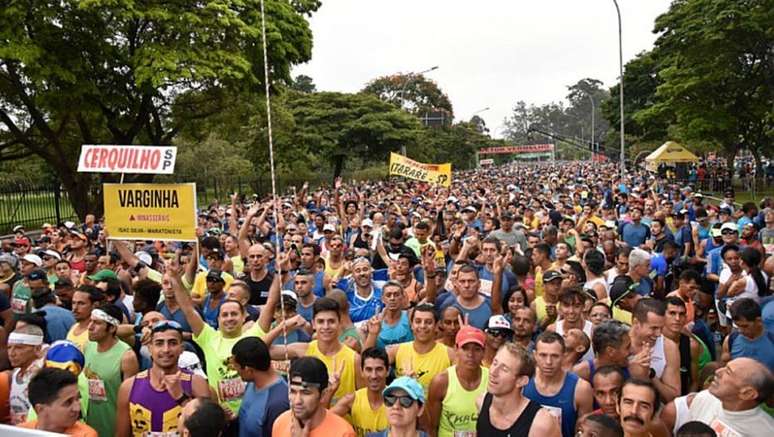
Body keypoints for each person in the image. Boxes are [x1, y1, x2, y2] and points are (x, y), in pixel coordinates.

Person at [169, 262, 281, 416]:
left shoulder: (254, 335)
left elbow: (271, 303)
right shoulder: (208, 337)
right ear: (219, 318)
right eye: (225, 315)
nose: (229, 318)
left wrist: (281, 270)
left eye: (234, 314)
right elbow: (187, 308)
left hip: (251, 411)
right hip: (219, 414)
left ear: (243, 317)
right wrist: (175, 279)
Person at [115, 320, 211, 437]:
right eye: (159, 343)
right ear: (150, 348)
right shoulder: (129, 386)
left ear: (182, 348)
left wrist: (181, 397)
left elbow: (207, 429)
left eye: (173, 343)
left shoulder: (196, 383)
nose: (166, 349)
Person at [270, 297, 362, 407]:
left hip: (343, 422)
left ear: (339, 323)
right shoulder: (304, 350)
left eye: (331, 321)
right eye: (321, 321)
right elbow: (262, 351)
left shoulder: (354, 359)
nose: (326, 327)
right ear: (313, 324)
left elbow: (363, 399)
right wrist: (283, 326)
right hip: (310, 422)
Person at [661, 358, 774, 436]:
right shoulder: (704, 398)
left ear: (747, 393)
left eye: (728, 372)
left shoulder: (766, 432)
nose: (718, 372)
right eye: (724, 367)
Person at [364, 303, 454, 394]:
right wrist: (372, 334)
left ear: (436, 326)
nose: (422, 326)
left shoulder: (450, 354)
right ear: (411, 324)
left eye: (428, 322)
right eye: (418, 321)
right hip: (404, 405)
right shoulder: (397, 350)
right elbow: (367, 361)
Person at [475, 342, 561, 436]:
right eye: (495, 363)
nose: (494, 372)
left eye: (504, 369)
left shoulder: (541, 423)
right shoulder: (481, 402)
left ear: (521, 381)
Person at [81, 304, 139, 437]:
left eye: (97, 323)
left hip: (113, 428)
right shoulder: (88, 347)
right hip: (88, 428)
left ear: (112, 328)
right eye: (90, 321)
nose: (90, 327)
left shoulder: (126, 356)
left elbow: (131, 401)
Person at [523, 331, 593, 437]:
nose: (548, 362)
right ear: (535, 355)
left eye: (555, 356)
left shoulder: (581, 388)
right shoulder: (523, 380)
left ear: (563, 356)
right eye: (543, 355)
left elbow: (585, 431)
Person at [427, 326, 489, 437]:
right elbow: (432, 426)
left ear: (484, 351)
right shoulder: (441, 382)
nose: (470, 354)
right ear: (456, 349)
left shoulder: (492, 380)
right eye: (465, 348)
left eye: (477, 349)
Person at [272, 356, 356, 437]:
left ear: (323, 395)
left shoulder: (344, 433)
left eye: (306, 393)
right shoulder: (280, 423)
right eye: (293, 392)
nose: (297, 401)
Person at [232, 336, 290, 437]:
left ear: (248, 370)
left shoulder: (278, 404)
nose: (235, 371)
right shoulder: (251, 383)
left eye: (236, 367)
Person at [627, 298, 681, 403]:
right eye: (654, 328)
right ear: (636, 323)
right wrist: (629, 369)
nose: (659, 334)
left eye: (661, 328)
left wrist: (650, 374)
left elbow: (673, 397)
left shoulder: (668, 347)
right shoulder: (618, 341)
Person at [17, 367, 97, 436]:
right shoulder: (19, 432)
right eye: (68, 402)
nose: (77, 408)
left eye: (78, 398)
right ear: (40, 409)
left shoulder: (85, 435)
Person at [331, 347, 389, 437]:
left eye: (379, 369)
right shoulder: (352, 399)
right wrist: (331, 390)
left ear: (387, 371)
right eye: (369, 370)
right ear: (361, 372)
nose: (374, 376)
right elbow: (323, 420)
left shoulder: (397, 401)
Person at [662, 297, 704, 394]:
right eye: (672, 313)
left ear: (685, 317)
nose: (677, 319)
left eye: (681, 314)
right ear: (663, 315)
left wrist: (686, 404)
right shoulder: (654, 341)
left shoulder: (692, 345)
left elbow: (694, 381)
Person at [6, 324, 45, 425]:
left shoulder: (43, 375)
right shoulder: (15, 374)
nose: (11, 353)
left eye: (19, 348)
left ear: (37, 349)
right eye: (9, 347)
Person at [721, 298, 774, 370]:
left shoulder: (771, 340)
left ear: (758, 321)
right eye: (737, 325)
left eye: (745, 326)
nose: (740, 330)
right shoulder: (730, 341)